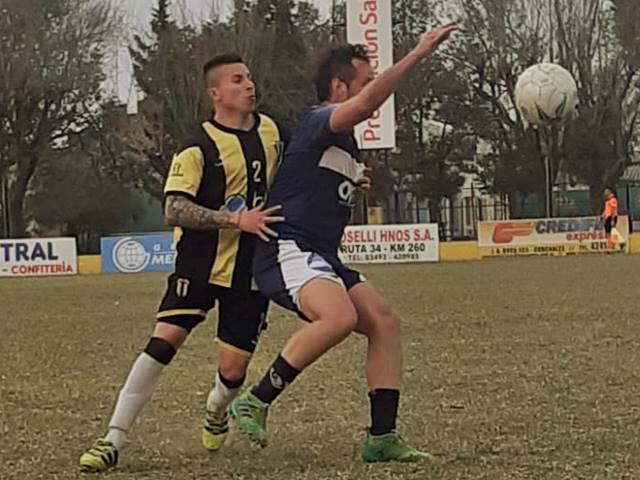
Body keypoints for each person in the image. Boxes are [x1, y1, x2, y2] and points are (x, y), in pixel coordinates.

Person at [228, 24, 456, 463]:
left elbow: (319, 181)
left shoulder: (346, 145)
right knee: (338, 317)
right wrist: (419, 52)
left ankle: (381, 437)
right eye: (365, 81)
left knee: (384, 322)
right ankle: (255, 400)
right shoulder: (319, 120)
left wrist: (353, 182)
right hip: (286, 247)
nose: (372, 91)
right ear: (338, 87)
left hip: (321, 255)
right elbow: (366, 104)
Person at [79, 53, 288, 472]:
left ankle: (216, 408)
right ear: (215, 94)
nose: (249, 85)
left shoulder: (274, 131)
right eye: (237, 80)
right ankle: (112, 439)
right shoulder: (197, 147)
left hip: (250, 268)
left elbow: (306, 167)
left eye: (248, 77)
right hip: (198, 264)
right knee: (163, 341)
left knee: (233, 372)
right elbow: (174, 208)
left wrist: (348, 177)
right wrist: (234, 220)